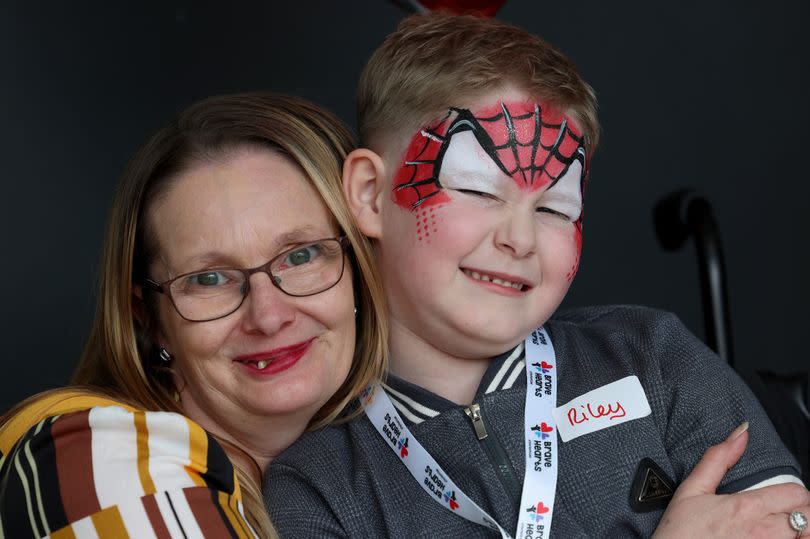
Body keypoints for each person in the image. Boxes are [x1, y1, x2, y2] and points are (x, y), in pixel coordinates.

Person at [264, 12, 810, 538]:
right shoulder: (318, 487)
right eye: (478, 190)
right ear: (369, 194)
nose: (519, 239)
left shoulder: (652, 358)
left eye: (555, 208)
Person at [0, 92, 387, 538]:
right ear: (149, 319)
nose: (267, 315)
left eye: (300, 256)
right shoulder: (92, 454)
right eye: (209, 280)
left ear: (360, 266)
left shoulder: (380, 468)